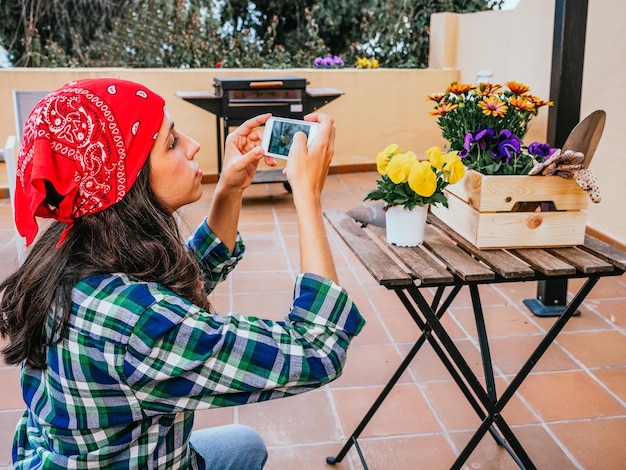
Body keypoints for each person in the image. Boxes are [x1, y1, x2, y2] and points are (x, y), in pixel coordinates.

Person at [0, 77, 365, 469]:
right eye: (171, 141)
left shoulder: (70, 250)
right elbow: (318, 348)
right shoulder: (136, 323)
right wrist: (308, 197)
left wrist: (229, 189)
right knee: (246, 444)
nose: (193, 145)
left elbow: (183, 282)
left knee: (245, 445)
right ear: (129, 179)